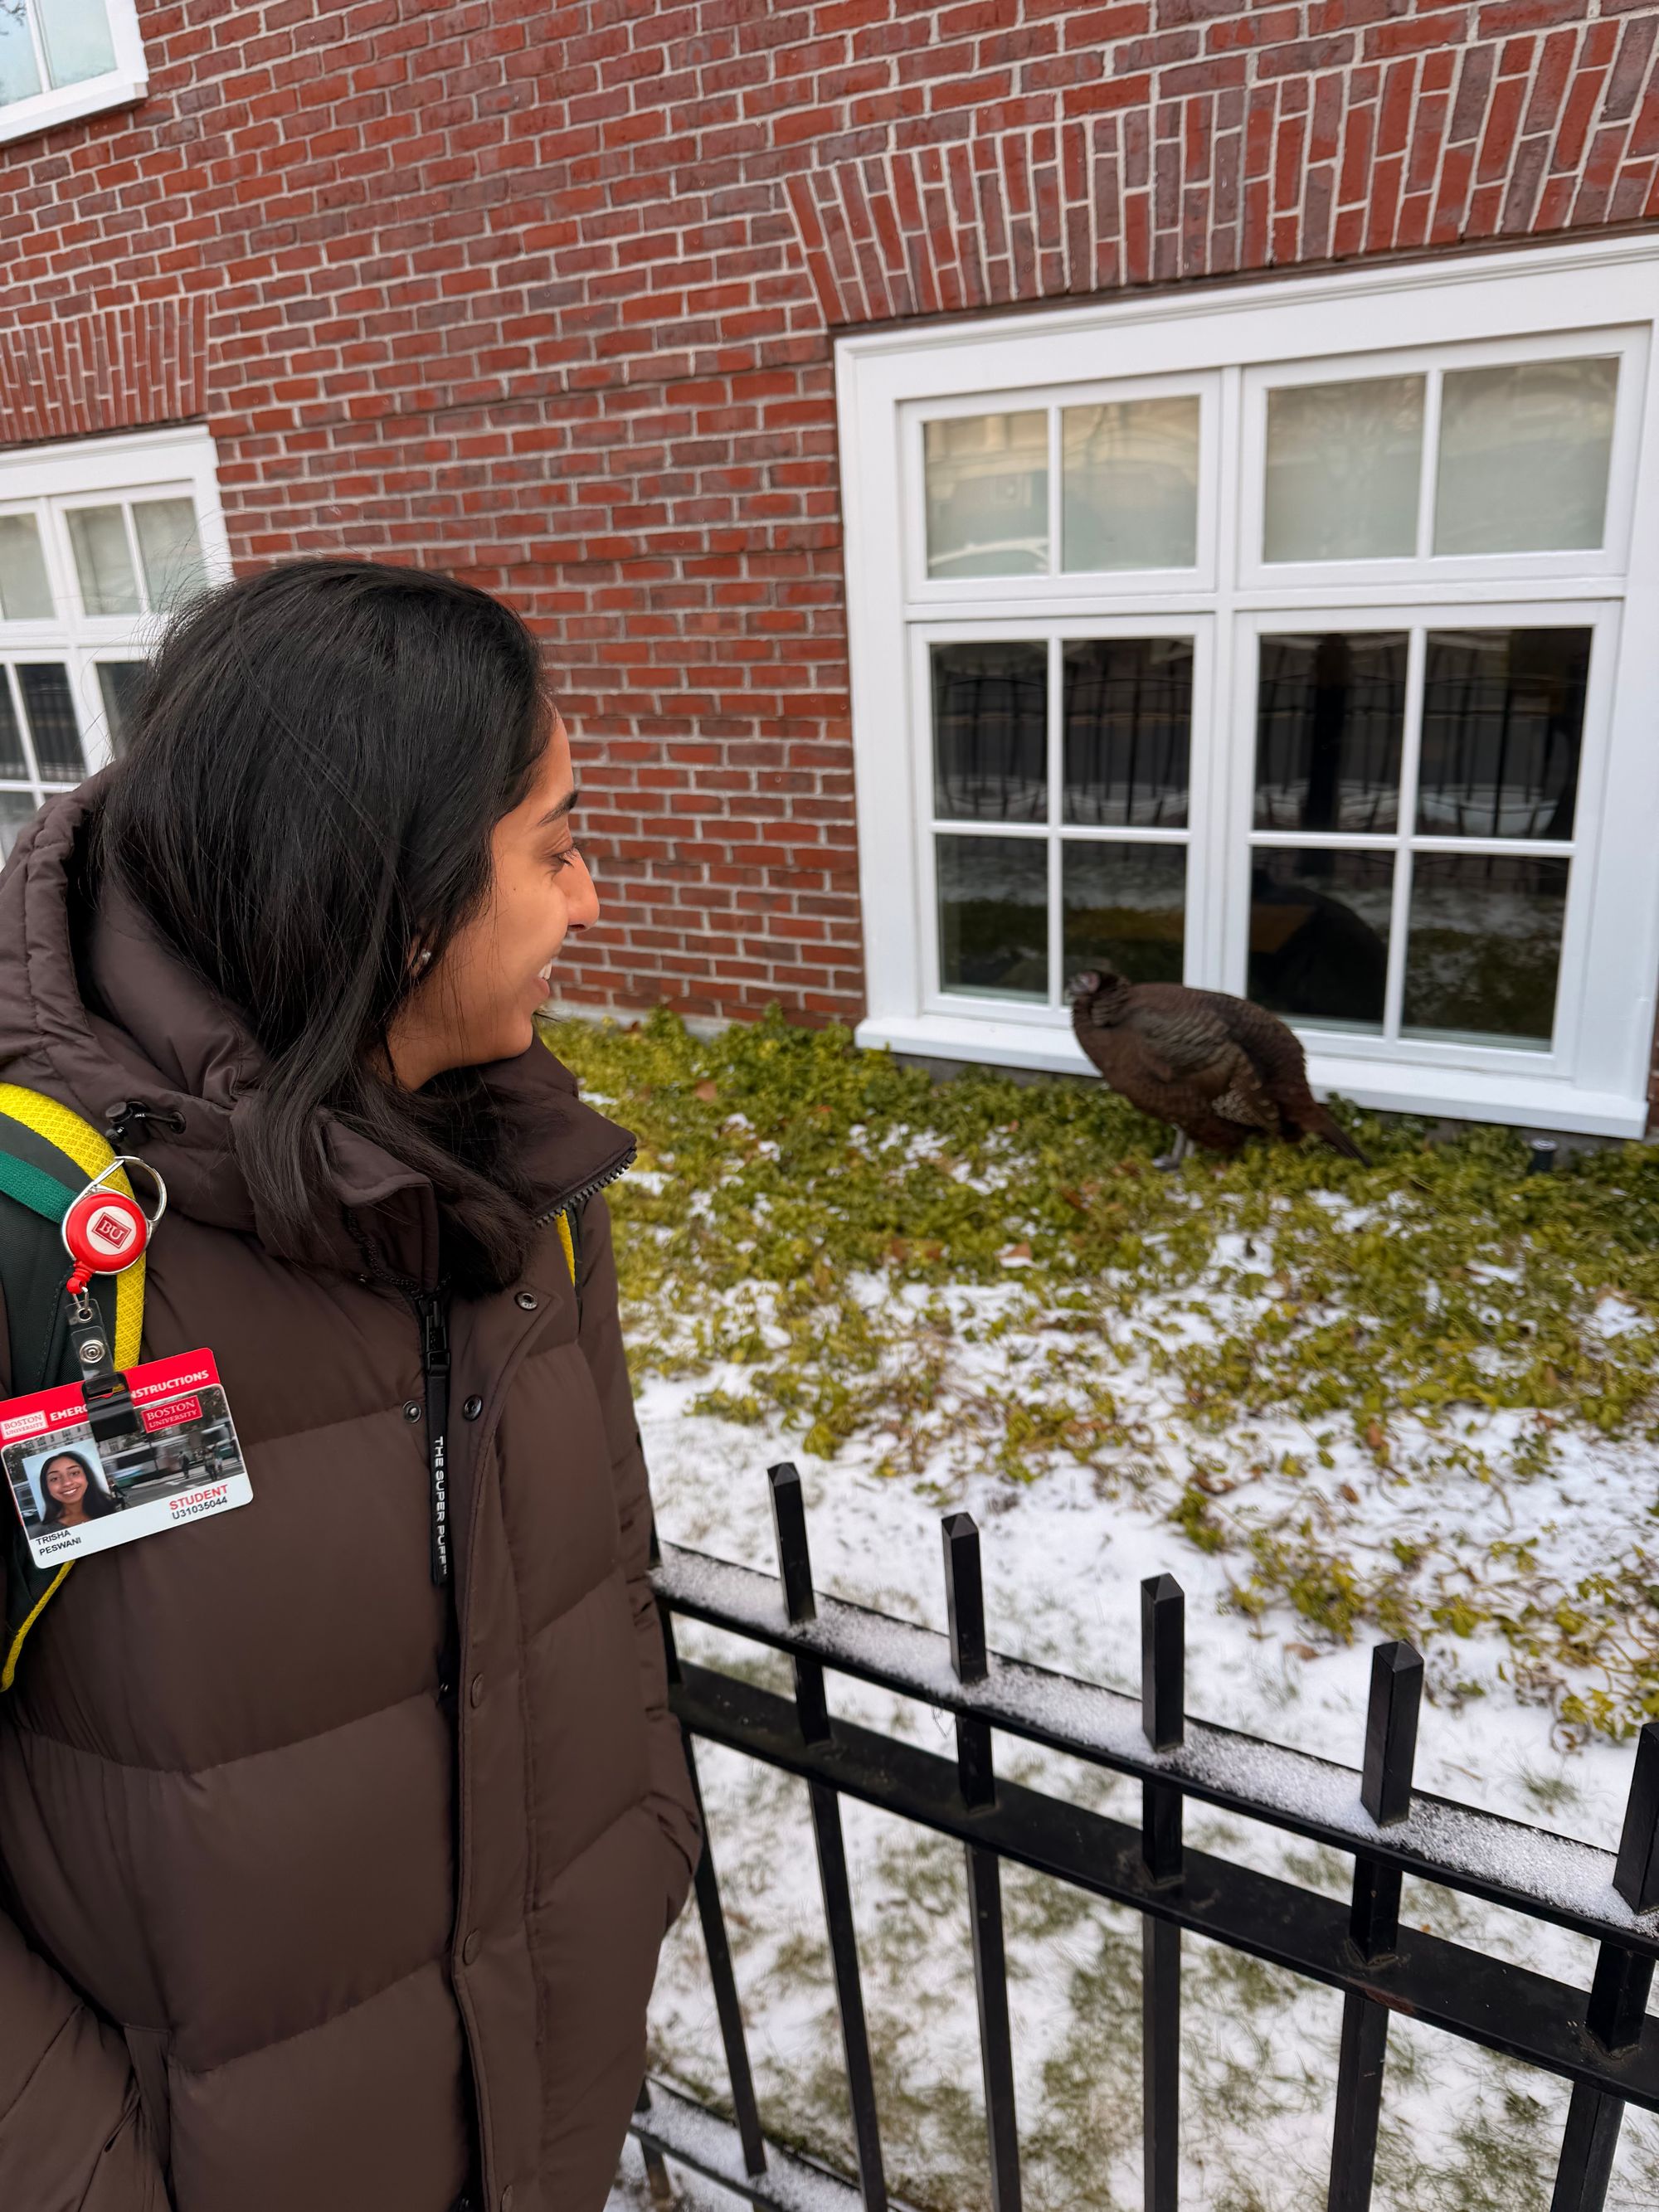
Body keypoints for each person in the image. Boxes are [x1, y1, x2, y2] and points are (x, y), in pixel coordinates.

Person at [0, 562, 700, 2212]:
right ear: (394, 893)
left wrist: (640, 1849)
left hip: (536, 2118)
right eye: (554, 846)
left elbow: (607, 1562)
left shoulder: (527, 1175)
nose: (590, 901)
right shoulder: (46, 1234)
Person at [36, 1448, 119, 1529]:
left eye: (74, 1473)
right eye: (55, 1478)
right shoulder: (45, 1531)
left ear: (87, 1477)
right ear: (46, 1487)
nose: (67, 1483)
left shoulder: (115, 1509)